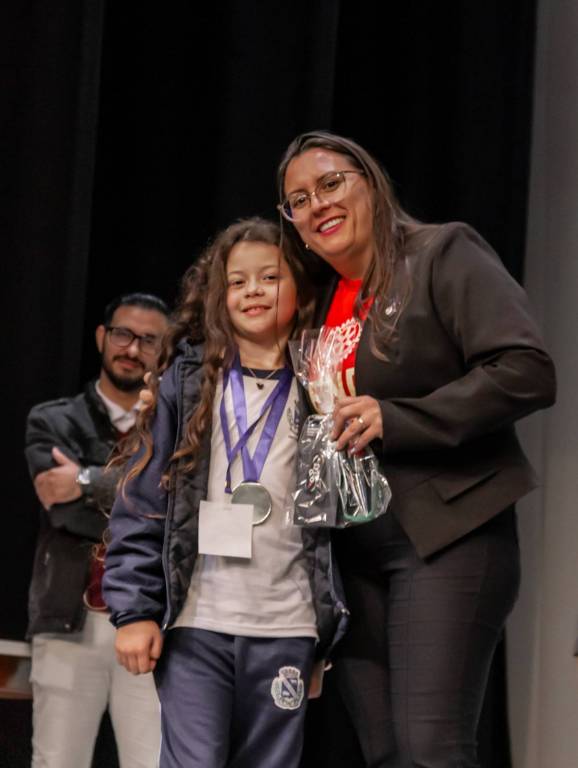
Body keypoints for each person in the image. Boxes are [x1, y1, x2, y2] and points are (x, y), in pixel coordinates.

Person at [276, 131, 557, 768]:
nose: (317, 205)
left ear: (371, 184)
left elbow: (526, 370)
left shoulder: (440, 253)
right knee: (386, 754)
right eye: (298, 200)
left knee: (431, 749)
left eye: (330, 183)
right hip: (352, 555)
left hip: (445, 536)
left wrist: (398, 418)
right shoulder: (315, 302)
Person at [102, 218, 348, 768]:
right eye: (238, 281)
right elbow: (142, 501)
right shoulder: (188, 380)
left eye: (270, 277)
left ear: (302, 287)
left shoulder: (324, 383)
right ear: (219, 294)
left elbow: (344, 515)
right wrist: (135, 610)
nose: (253, 291)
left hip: (287, 626)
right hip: (197, 624)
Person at [25, 292, 169, 768]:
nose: (133, 349)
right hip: (70, 618)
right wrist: (143, 493)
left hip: (150, 619)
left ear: (165, 351)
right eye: (123, 334)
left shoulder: (174, 427)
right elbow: (64, 512)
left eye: (149, 340)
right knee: (57, 760)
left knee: (151, 761)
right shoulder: (53, 419)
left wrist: (86, 481)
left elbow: (173, 508)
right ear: (102, 337)